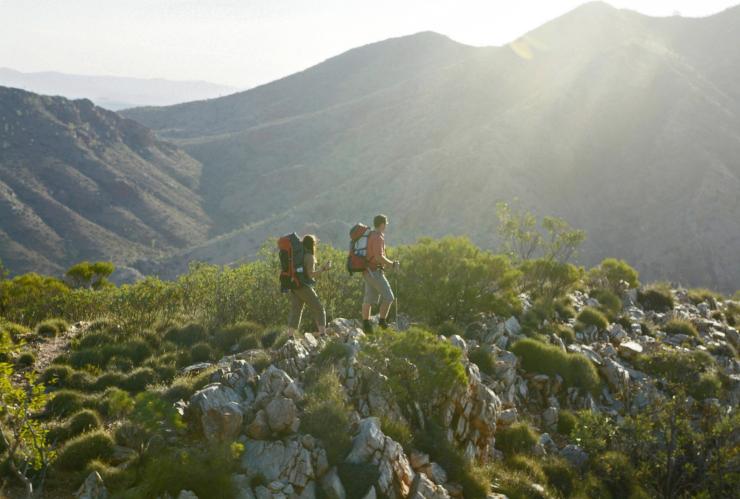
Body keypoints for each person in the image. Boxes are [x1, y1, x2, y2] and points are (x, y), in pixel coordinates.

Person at [362, 214, 399, 334]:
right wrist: (392, 264)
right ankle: (382, 323)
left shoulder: (370, 235)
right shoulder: (378, 237)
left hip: (367, 271)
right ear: (382, 224)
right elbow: (379, 257)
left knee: (369, 299)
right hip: (374, 272)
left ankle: (366, 326)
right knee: (389, 297)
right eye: (386, 224)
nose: (386, 226)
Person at [288, 235, 330, 336]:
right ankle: (323, 335)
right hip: (303, 286)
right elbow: (311, 274)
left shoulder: (297, 255)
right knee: (319, 309)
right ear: (312, 245)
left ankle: (290, 337)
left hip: (294, 285)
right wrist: (323, 268)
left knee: (296, 311)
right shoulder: (309, 256)